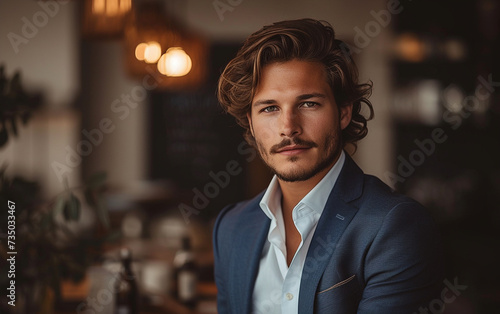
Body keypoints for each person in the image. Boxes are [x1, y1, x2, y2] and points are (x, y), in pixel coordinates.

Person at [213, 18, 444, 314]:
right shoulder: (231, 228)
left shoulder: (395, 226)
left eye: (308, 103)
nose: (288, 127)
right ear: (250, 122)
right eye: (270, 108)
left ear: (344, 112)